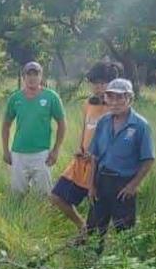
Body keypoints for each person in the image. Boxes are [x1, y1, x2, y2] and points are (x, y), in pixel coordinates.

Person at [49, 61, 120, 232]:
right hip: (81, 162)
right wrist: (81, 148)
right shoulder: (89, 104)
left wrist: (97, 155)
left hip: (101, 166)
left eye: (102, 83)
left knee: (97, 209)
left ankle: (94, 240)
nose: (98, 87)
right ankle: (82, 227)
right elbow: (85, 128)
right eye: (94, 83)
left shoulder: (116, 109)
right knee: (56, 197)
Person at [86, 78, 155, 236]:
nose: (115, 102)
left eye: (120, 97)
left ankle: (124, 261)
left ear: (129, 99)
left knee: (124, 233)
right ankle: (93, 259)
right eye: (110, 97)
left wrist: (133, 186)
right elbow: (94, 156)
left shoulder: (140, 126)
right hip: (102, 180)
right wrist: (91, 185)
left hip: (123, 184)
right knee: (94, 230)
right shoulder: (103, 122)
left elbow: (148, 159)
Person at [1, 61, 66, 194]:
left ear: (41, 76)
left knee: (44, 194)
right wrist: (6, 150)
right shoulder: (15, 98)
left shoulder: (51, 97)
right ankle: (19, 215)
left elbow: (62, 123)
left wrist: (56, 150)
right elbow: (6, 125)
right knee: (17, 194)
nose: (32, 78)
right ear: (23, 77)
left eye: (35, 74)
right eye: (28, 74)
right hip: (18, 153)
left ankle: (40, 215)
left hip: (42, 153)